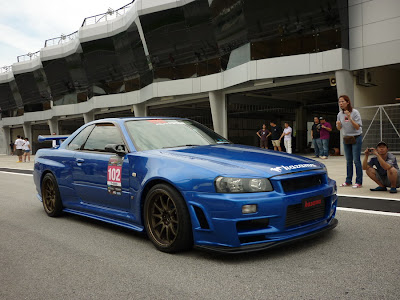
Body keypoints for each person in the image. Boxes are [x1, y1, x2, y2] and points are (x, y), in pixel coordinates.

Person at [336, 95, 363, 188]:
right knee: (348, 161)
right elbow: (339, 128)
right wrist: (338, 125)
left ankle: (359, 181)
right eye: (339, 102)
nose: (341, 103)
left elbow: (357, 127)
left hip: (356, 137)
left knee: (356, 160)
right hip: (346, 138)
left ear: (348, 102)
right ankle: (348, 181)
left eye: (342, 101)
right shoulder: (339, 114)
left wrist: (350, 118)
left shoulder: (355, 112)